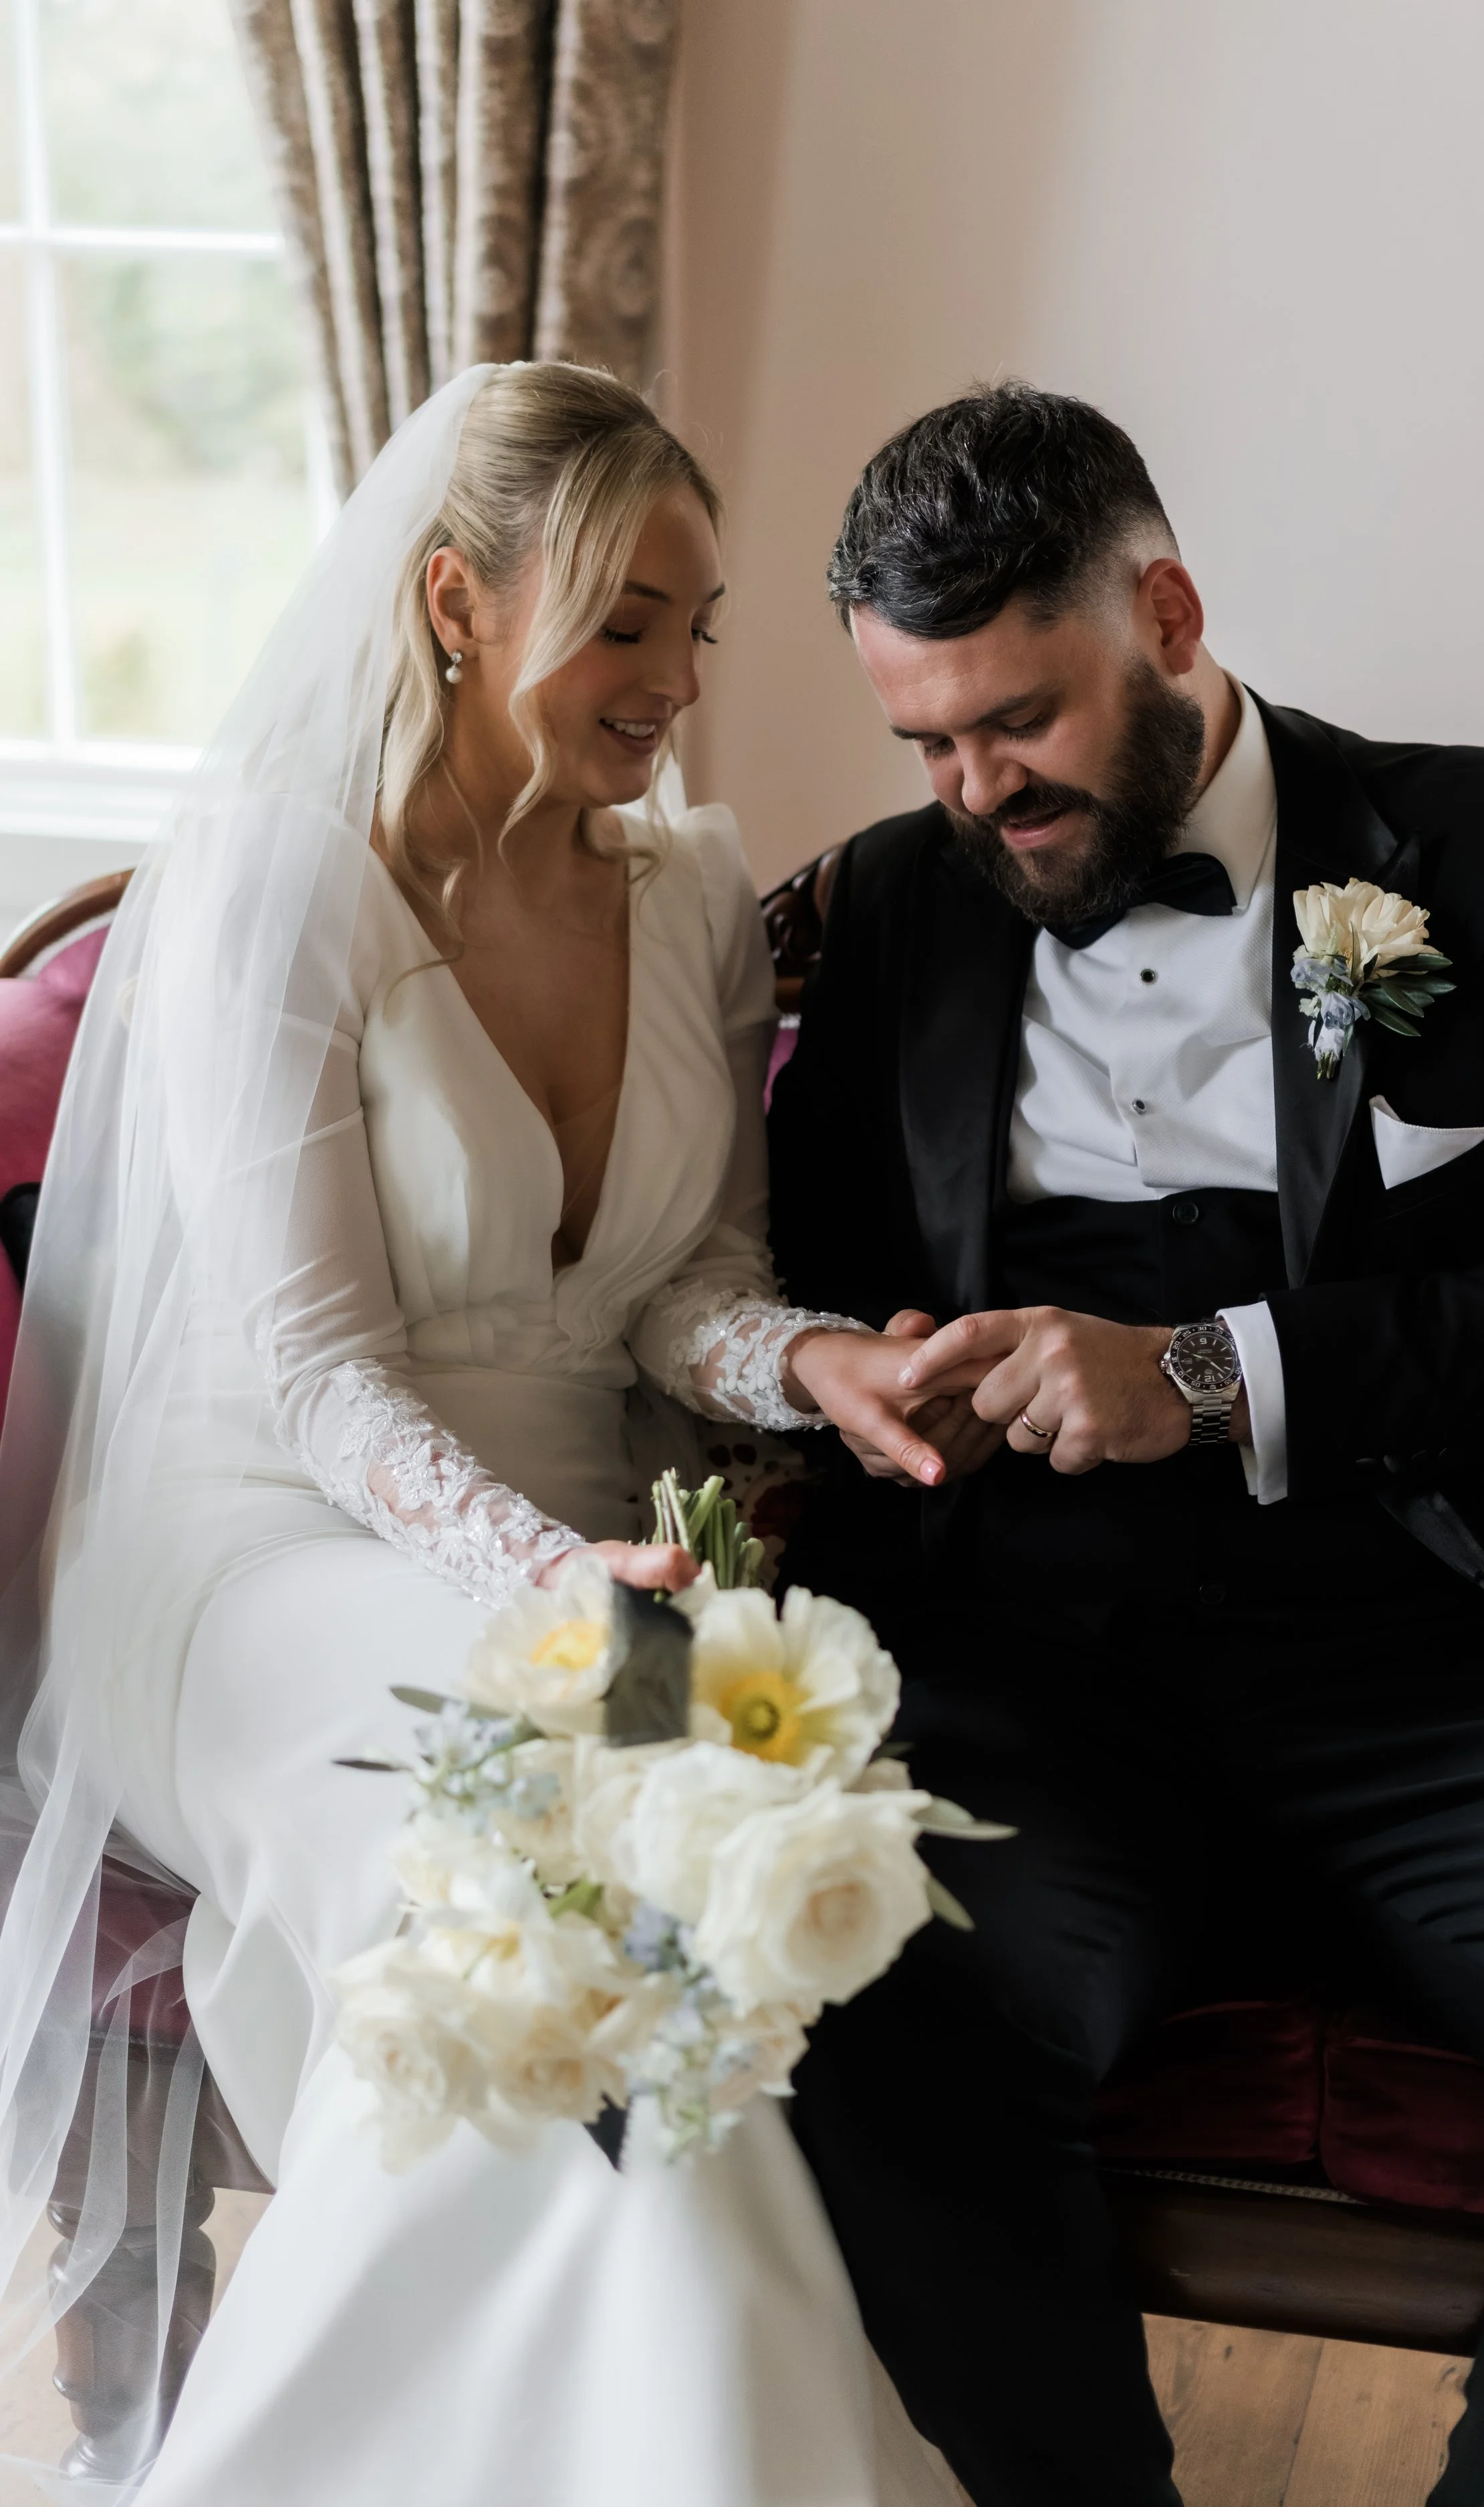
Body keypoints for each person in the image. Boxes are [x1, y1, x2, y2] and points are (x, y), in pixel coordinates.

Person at [0, 362, 963, 2507]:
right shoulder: (276, 878)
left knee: (648, 1892)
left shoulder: (693, 893)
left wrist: (817, 1365)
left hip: (588, 1561)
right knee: (528, 1855)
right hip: (253, 1555)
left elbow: (682, 1286)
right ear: (455, 599)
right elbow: (320, 1370)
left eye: (696, 626)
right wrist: (557, 1577)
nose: (671, 680)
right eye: (624, 620)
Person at [770, 382, 1484, 2507]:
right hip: (1036, 1692)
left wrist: (1199, 1372)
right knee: (855, 2020)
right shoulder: (894, 903)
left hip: (1445, 1676)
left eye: (1016, 719)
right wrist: (859, 1362)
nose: (975, 791)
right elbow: (792, 1271)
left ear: (1164, 612)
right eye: (923, 740)